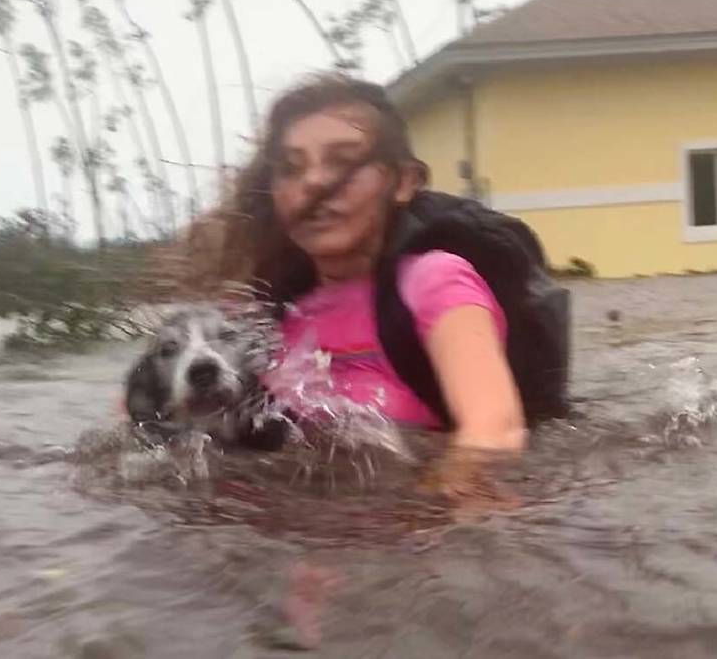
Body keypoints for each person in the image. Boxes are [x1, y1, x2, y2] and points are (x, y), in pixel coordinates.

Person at [197, 73, 528, 499]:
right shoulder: (259, 314)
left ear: (403, 181)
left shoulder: (434, 283)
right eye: (290, 168)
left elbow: (494, 433)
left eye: (342, 161)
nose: (314, 183)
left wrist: (427, 524)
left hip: (408, 540)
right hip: (290, 539)